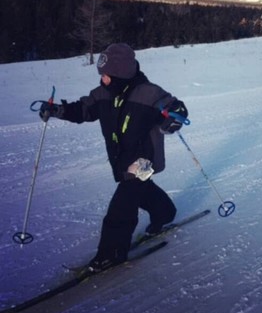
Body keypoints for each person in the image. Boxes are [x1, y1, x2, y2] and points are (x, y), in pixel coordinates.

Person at [39, 43, 188, 272]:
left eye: (106, 75)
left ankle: (112, 253)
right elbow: (83, 110)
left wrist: (174, 116)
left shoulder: (149, 93)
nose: (103, 79)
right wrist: (58, 110)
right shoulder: (103, 94)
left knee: (123, 205)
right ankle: (165, 213)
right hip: (121, 158)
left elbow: (173, 107)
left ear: (120, 73)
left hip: (143, 160)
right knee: (142, 192)